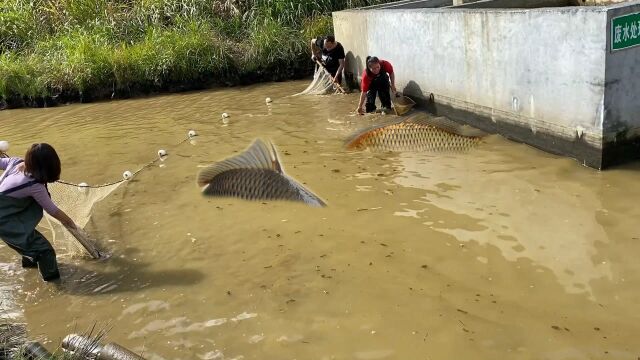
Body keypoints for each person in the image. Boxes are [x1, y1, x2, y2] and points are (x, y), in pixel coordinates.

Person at [0, 143, 79, 282]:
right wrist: (71, 223)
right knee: (45, 252)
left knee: (30, 246)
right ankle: (55, 286)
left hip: (8, 218)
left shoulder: (15, 161)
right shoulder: (34, 186)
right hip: (5, 224)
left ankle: (29, 271)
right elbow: (52, 210)